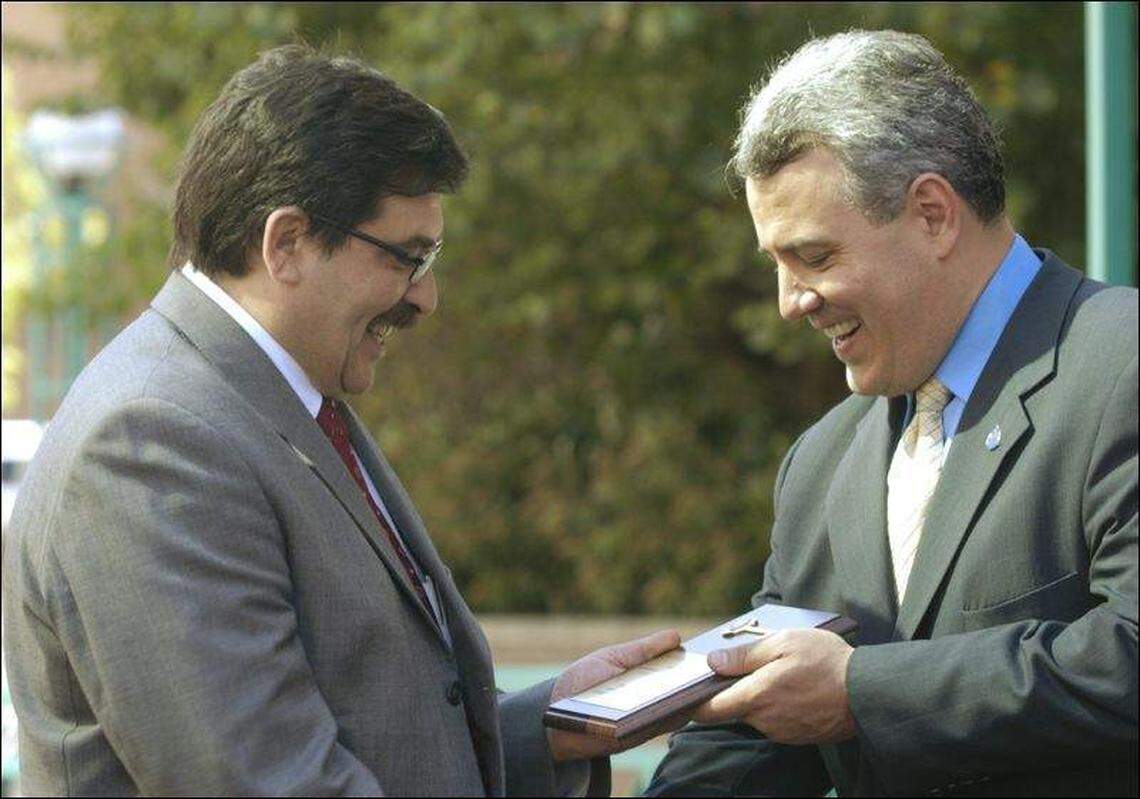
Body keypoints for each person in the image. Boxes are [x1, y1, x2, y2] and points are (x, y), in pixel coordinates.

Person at [1, 44, 680, 796]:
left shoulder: (277, 398)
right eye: (405, 257)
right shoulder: (149, 441)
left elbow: (366, 723)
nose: (424, 297)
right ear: (286, 243)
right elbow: (265, 779)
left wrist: (540, 726)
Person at [648, 29, 1137, 797]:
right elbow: (759, 740)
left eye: (814, 257)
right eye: (776, 265)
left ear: (933, 215)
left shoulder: (1122, 364)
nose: (789, 302)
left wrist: (862, 690)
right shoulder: (820, 463)